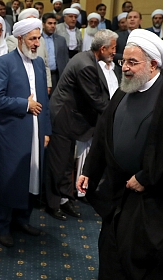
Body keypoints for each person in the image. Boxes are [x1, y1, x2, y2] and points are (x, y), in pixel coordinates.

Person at [77, 29, 163, 280]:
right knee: (111, 245)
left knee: (135, 251)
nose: (126, 68)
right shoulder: (124, 90)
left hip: (151, 193)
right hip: (118, 187)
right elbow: (103, 134)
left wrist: (147, 177)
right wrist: (90, 171)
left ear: (153, 65)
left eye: (133, 63)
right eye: (124, 61)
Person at [45, 30, 120, 221]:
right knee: (59, 163)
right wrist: (118, 113)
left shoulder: (87, 58)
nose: (114, 52)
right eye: (112, 48)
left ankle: (64, 198)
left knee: (66, 163)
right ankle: (53, 204)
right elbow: (95, 100)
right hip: (63, 117)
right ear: (102, 48)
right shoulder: (86, 65)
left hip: (70, 117)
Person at [0, 18, 52, 248]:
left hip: (36, 130)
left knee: (32, 175)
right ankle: (2, 225)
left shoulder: (38, 63)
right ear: (20, 39)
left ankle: (22, 219)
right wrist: (24, 104)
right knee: (9, 177)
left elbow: (44, 101)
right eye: (32, 39)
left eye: (38, 38)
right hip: (13, 132)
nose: (36, 43)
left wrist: (46, 130)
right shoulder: (4, 63)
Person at [41, 13, 70, 95]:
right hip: (41, 75)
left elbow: (65, 60)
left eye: (54, 23)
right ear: (43, 25)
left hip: (56, 75)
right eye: (50, 23)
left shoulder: (61, 40)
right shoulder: (38, 39)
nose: (53, 26)